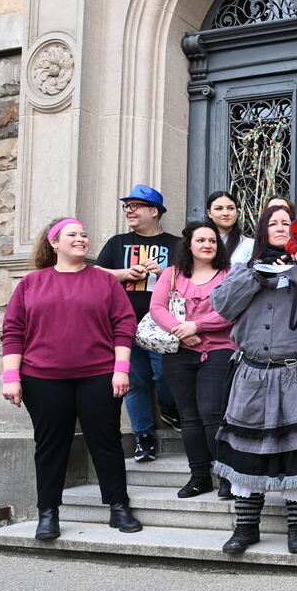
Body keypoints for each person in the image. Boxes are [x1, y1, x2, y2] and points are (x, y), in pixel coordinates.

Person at [212, 202, 297, 555]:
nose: (282, 227)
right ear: (262, 231)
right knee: (247, 453)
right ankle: (245, 528)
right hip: (253, 374)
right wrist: (256, 275)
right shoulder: (244, 268)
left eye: (288, 222)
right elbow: (223, 306)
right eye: (274, 223)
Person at [1, 217, 142, 540]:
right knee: (51, 446)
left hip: (98, 375)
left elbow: (124, 325)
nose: (81, 239)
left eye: (84, 234)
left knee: (105, 442)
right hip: (42, 378)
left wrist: (121, 369)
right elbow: (13, 331)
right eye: (72, 234)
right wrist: (12, 377)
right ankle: (48, 513)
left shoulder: (105, 282)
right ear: (54, 243)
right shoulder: (31, 283)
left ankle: (118, 506)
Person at [95, 184, 181, 463]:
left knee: (164, 373)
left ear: (153, 211)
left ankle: (169, 408)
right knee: (135, 381)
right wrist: (124, 273)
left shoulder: (176, 244)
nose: (129, 211)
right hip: (124, 323)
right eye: (127, 206)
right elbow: (96, 274)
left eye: (136, 206)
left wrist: (167, 272)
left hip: (162, 324)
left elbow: (193, 278)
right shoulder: (117, 242)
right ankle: (144, 437)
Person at [152, 221, 236, 500]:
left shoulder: (229, 274)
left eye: (212, 241)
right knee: (188, 416)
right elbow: (157, 308)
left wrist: (195, 327)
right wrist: (181, 331)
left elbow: (231, 310)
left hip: (219, 349)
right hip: (179, 351)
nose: (208, 245)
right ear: (188, 244)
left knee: (213, 412)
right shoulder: (172, 274)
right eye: (201, 240)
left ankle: (227, 476)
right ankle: (200, 476)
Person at [206, 190, 254, 264]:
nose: (226, 213)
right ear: (209, 213)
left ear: (237, 212)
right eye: (219, 208)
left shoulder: (250, 245)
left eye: (231, 208)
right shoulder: (201, 244)